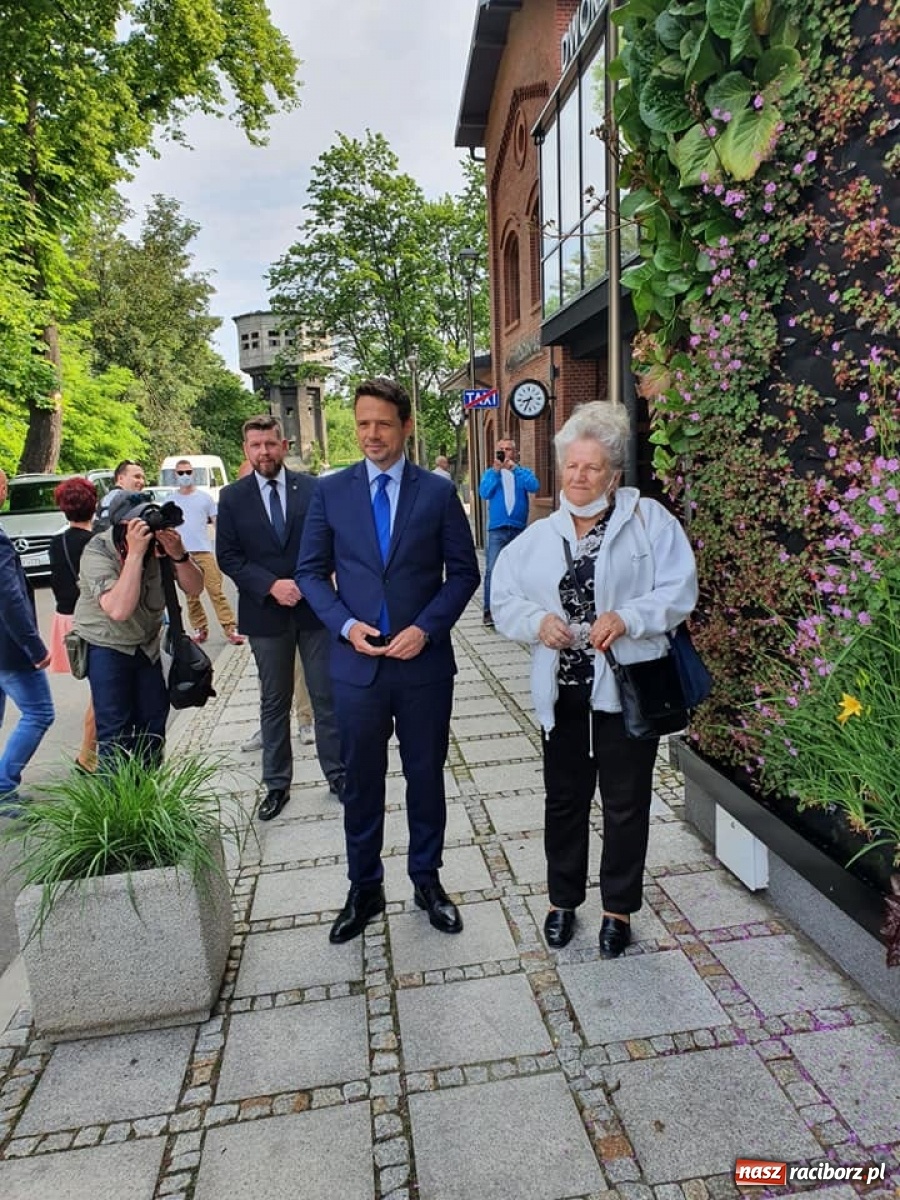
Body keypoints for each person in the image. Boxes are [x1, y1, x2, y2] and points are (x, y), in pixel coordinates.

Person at [491, 402, 698, 957]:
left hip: (628, 688)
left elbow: (680, 591)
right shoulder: (538, 536)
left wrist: (628, 617)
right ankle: (563, 901)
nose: (580, 478)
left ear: (613, 473)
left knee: (626, 802)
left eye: (593, 467)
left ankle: (618, 910)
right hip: (563, 691)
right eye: (572, 467)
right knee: (563, 800)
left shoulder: (650, 522)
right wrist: (538, 623)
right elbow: (502, 597)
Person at [297, 376, 480, 944]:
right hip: (357, 667)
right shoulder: (330, 493)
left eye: (382, 424)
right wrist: (346, 626)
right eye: (362, 425)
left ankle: (427, 880)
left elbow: (464, 572)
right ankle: (364, 886)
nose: (371, 435)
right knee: (362, 781)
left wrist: (425, 630)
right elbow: (309, 572)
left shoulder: (436, 492)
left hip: (423, 667)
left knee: (425, 776)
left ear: (406, 426)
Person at [217, 416, 343, 822]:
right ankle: (276, 784)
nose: (263, 452)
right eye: (255, 445)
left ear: (284, 445)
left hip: (313, 609)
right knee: (274, 701)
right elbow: (229, 557)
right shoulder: (232, 497)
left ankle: (339, 776)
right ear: (246, 449)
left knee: (325, 696)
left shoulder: (313, 489)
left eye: (270, 444)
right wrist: (271, 586)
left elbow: (330, 542)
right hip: (265, 612)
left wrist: (311, 581)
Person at [74, 489, 203, 765]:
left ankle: (147, 796)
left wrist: (179, 555)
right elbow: (118, 610)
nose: (146, 532)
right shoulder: (98, 550)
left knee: (153, 728)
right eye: (138, 525)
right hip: (107, 646)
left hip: (146, 647)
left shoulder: (158, 550)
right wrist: (134, 556)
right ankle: (118, 804)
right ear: (121, 526)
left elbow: (195, 587)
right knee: (114, 732)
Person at [0, 513, 54, 815]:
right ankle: (3, 786)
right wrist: (33, 645)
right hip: (8, 646)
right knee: (39, 712)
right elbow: (8, 596)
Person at [48, 476, 99, 772]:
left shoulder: (56, 543)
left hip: (64, 619)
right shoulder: (95, 542)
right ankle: (86, 756)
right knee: (102, 688)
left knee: (98, 686)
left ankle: (90, 753)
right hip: (89, 619)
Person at [169, 458, 245, 647]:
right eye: (181, 473)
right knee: (191, 595)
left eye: (188, 472)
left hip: (204, 550)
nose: (185, 476)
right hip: (182, 553)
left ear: (193, 473)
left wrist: (225, 545)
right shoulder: (171, 500)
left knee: (215, 590)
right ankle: (199, 628)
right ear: (175, 475)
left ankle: (230, 627)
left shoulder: (205, 498)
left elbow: (218, 522)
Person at [478, 437, 539, 626]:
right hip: (497, 529)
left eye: (509, 449)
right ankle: (489, 611)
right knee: (492, 570)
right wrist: (496, 472)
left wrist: (515, 469)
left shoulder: (521, 473)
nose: (505, 452)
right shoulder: (490, 473)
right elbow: (484, 492)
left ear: (515, 452)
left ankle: (518, 610)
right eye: (502, 449)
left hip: (518, 528)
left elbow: (534, 486)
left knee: (519, 571)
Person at [94, 459, 147, 531]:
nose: (142, 482)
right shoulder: (124, 500)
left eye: (143, 478)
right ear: (120, 478)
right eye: (137, 477)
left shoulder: (106, 499)